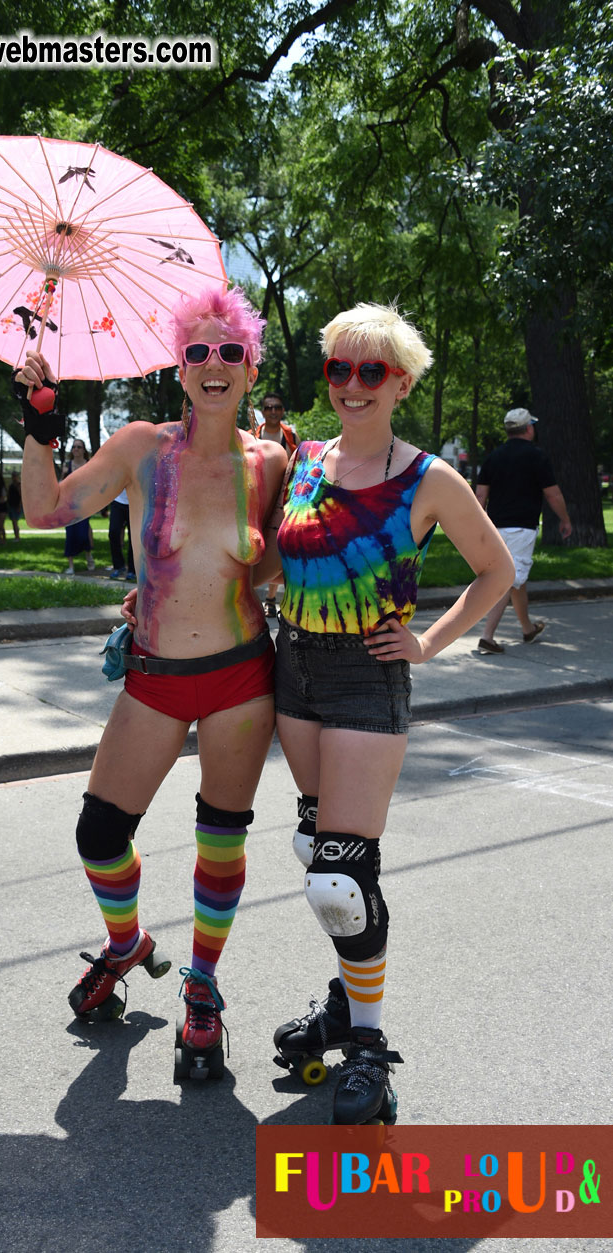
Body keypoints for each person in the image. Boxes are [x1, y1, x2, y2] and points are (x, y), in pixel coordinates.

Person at [254, 302, 514, 1124]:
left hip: (368, 678)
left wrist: (428, 643)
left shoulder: (429, 478)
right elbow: (278, 564)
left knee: (342, 876)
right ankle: (345, 1000)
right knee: (318, 853)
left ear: (402, 383)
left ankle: (367, 1047)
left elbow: (496, 571)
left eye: (373, 370)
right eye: (340, 368)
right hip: (295, 670)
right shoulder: (305, 460)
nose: (353, 384)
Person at [17, 285, 286, 1071]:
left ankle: (202, 984)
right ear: (179, 366)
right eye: (197, 350)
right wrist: (40, 422)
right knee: (100, 833)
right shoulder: (142, 447)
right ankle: (127, 942)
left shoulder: (270, 463)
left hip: (241, 678)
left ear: (250, 368)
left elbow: (271, 564)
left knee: (220, 837)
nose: (213, 363)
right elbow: (45, 510)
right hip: (155, 677)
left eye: (230, 351)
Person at [475, 408, 573, 654]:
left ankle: (528, 629)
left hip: (495, 527)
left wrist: (477, 525)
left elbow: (480, 495)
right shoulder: (537, 456)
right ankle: (487, 637)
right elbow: (553, 494)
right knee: (509, 579)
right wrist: (565, 519)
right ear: (528, 428)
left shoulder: (494, 456)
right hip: (521, 528)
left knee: (517, 578)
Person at [255, 392, 298, 618]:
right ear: (262, 411)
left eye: (277, 407)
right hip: (258, 500)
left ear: (282, 410)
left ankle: (271, 598)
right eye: (269, 407)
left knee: (278, 548)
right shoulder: (253, 436)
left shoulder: (290, 435)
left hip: (284, 502)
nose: (273, 411)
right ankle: (249, 594)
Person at [61, 439, 96, 575]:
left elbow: (93, 483)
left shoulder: (89, 464)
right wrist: (63, 474)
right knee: (70, 534)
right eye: (74, 447)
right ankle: (71, 566)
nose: (76, 449)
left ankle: (88, 555)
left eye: (79, 447)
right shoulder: (67, 465)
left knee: (83, 533)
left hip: (83, 503)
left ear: (83, 450)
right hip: (69, 504)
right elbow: (60, 485)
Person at [106, 486, 136, 581]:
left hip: (134, 502)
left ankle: (132, 569)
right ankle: (119, 566)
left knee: (133, 536)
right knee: (113, 533)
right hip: (117, 500)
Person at [7, 469, 23, 541]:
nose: (13, 477)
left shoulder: (19, 485)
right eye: (13, 476)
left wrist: (19, 506)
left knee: (14, 521)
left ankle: (17, 537)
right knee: (14, 522)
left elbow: (21, 496)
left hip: (17, 506)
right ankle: (16, 536)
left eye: (15, 476)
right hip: (11, 505)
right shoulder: (11, 485)